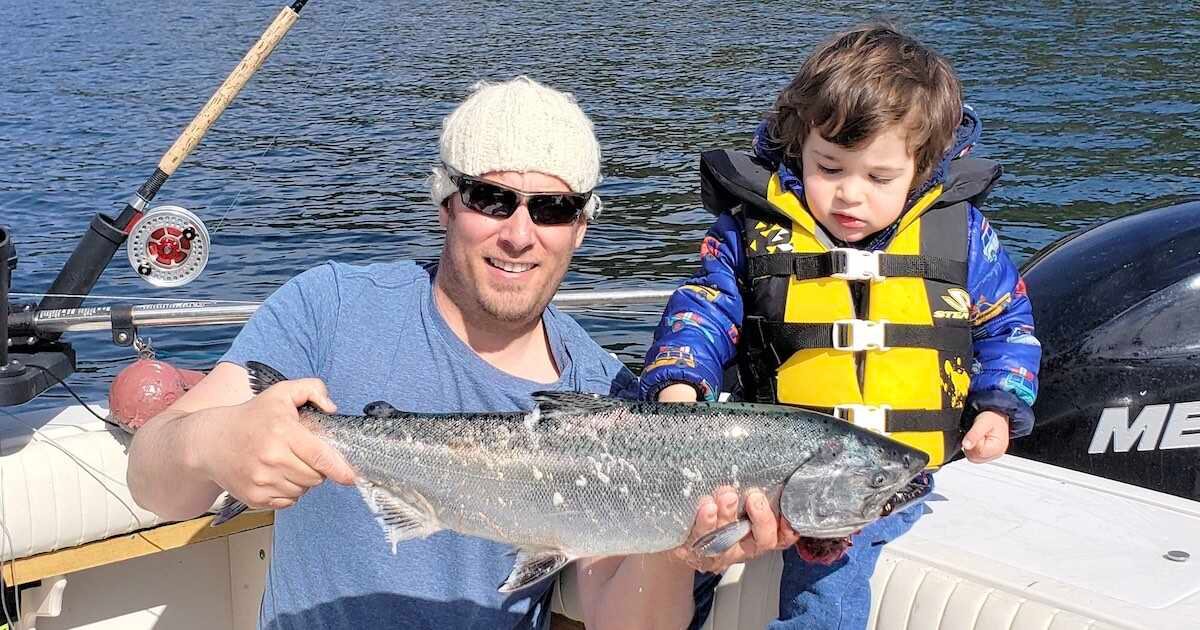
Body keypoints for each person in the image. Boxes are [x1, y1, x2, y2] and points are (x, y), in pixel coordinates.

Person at [126, 76, 783, 630]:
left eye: (552, 208)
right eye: (492, 198)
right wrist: (216, 442)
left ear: (581, 228)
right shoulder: (326, 308)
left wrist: (678, 546)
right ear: (446, 202)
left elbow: (620, 618)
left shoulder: (610, 398)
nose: (519, 234)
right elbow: (153, 484)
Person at [640, 24, 1042, 629]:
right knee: (682, 559)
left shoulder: (962, 236)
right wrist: (679, 383)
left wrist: (999, 407)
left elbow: (1009, 326)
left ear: (923, 164)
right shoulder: (754, 229)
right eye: (830, 167)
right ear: (800, 143)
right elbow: (703, 308)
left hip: (878, 478)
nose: (850, 195)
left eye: (878, 178)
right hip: (758, 463)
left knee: (827, 587)